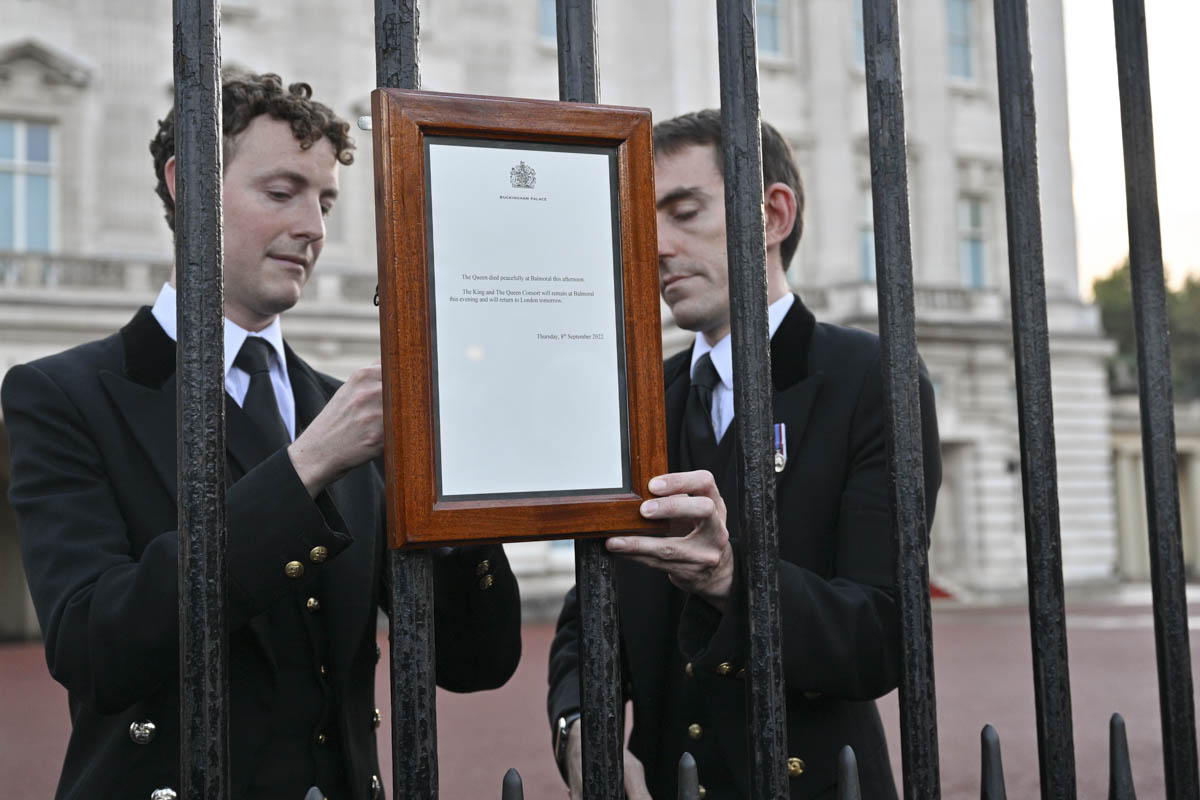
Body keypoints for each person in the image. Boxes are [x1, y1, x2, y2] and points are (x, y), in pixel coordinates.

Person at [2, 72, 521, 800]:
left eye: (326, 201)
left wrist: (460, 499)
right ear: (189, 185)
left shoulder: (341, 406)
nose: (314, 228)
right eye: (281, 193)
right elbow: (96, 649)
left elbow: (473, 664)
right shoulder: (65, 394)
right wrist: (305, 466)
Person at [546, 110, 941, 799]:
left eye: (684, 211)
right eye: (642, 221)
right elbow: (590, 611)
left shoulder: (871, 379)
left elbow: (881, 636)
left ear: (773, 214)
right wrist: (579, 726)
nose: (655, 246)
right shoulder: (633, 396)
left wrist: (734, 577)